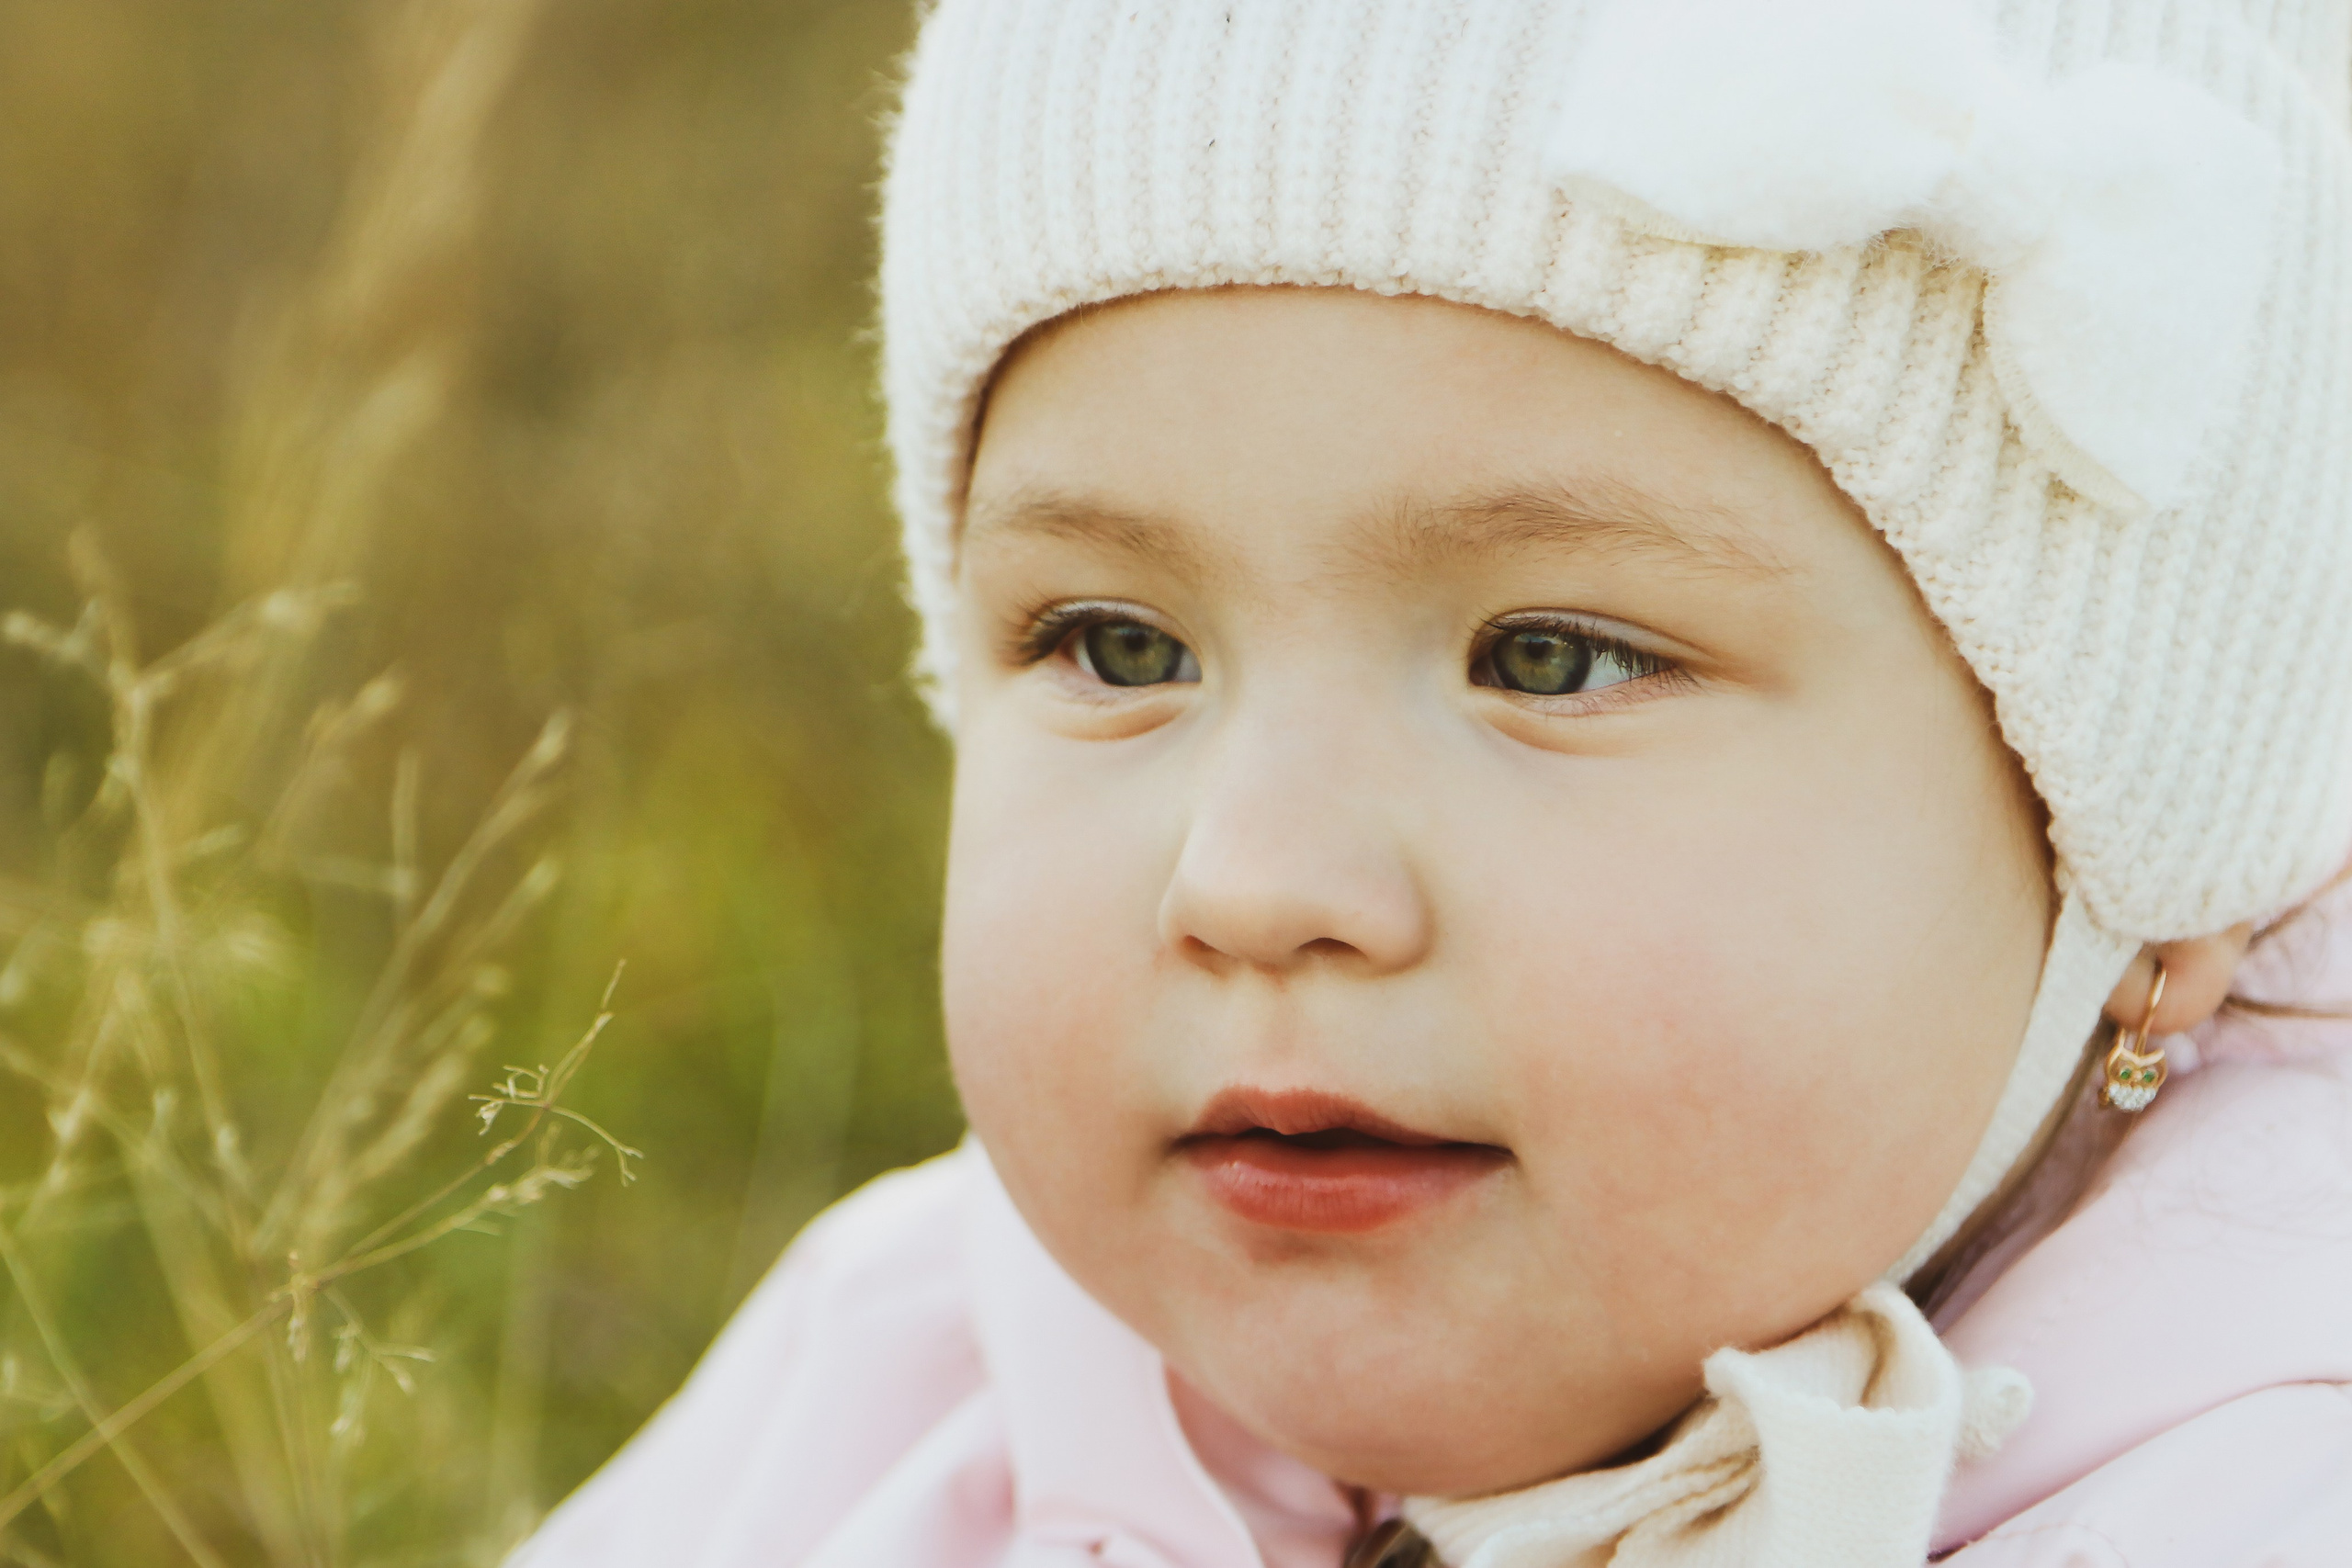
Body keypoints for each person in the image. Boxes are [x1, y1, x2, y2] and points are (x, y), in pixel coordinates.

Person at [511, 0, 2352, 1562]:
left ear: (2154, 860)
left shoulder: (2260, 1481)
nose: (1251, 876)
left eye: (1547, 658)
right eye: (1116, 645)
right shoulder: (910, 1375)